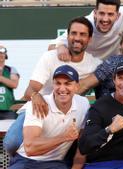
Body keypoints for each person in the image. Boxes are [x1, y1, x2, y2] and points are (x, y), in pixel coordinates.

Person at [3, 16, 100, 155]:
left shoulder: (94, 64)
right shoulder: (50, 56)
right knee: (11, 142)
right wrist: (35, 96)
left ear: (89, 39)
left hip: (67, 112)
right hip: (40, 107)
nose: (77, 38)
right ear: (67, 36)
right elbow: (31, 88)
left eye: (82, 34)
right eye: (73, 33)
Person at [9, 65, 90, 169]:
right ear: (53, 85)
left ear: (76, 86)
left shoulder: (83, 104)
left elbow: (82, 145)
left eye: (67, 83)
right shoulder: (37, 104)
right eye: (58, 83)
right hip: (26, 160)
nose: (62, 88)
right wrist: (65, 137)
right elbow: (30, 149)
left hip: (55, 162)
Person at [48, 0, 123, 60]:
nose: (105, 19)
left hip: (108, 68)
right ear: (95, 13)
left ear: (118, 15)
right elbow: (51, 46)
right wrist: (61, 47)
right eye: (101, 13)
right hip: (85, 69)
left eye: (110, 14)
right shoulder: (85, 24)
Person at [0, 45, 20, 119]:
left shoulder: (11, 69)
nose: (0, 55)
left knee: (9, 129)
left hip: (8, 109)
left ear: (5, 55)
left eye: (2, 53)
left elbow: (14, 84)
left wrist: (1, 78)